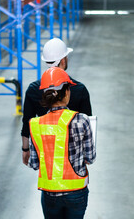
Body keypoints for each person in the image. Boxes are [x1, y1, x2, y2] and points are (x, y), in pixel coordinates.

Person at [28, 67, 96, 219]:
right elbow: (90, 158)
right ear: (66, 93)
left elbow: (34, 164)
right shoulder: (81, 120)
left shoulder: (35, 124)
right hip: (77, 192)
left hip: (49, 194)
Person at [21, 38, 92, 165]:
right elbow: (89, 127)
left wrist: (25, 149)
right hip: (75, 164)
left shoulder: (33, 89)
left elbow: (27, 123)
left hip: (47, 164)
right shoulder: (79, 89)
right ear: (63, 60)